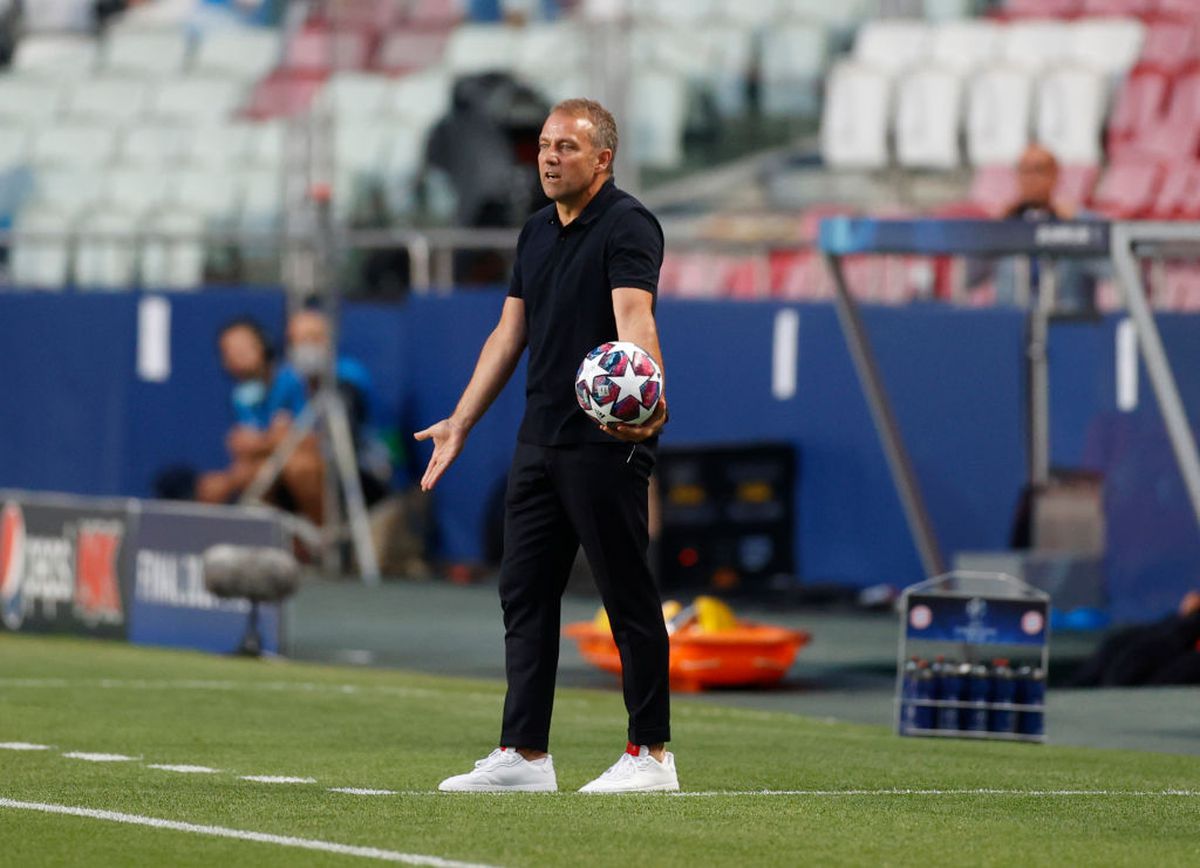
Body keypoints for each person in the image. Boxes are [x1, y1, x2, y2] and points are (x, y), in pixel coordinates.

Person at [416, 98, 676, 794]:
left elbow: (634, 319)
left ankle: (651, 755)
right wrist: (461, 421)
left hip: (605, 441)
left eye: (566, 146)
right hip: (539, 441)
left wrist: (645, 400)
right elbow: (509, 336)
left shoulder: (628, 224)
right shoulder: (534, 231)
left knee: (626, 595)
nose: (550, 157)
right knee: (523, 593)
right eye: (543, 146)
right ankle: (525, 755)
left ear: (602, 160)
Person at [279, 308, 393, 525]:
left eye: (313, 338)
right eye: (298, 340)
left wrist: (290, 440)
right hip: (307, 464)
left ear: (328, 341)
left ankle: (324, 548)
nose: (305, 347)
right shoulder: (288, 379)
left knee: (299, 467)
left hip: (360, 470)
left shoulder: (350, 376)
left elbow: (344, 439)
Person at [975, 144, 1106, 313]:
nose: (1031, 178)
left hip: (1068, 323)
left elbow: (1110, 271)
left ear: (1055, 175)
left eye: (1039, 170)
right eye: (1024, 170)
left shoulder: (1077, 220)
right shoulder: (1005, 224)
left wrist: (1076, 223)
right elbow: (972, 277)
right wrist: (992, 229)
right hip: (1011, 322)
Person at [196, 318, 307, 511]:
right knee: (212, 486)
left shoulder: (292, 380)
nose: (235, 356)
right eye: (228, 351)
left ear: (264, 346)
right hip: (266, 465)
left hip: (298, 464)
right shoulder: (242, 396)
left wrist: (261, 443)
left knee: (295, 468)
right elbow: (246, 447)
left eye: (242, 348)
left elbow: (296, 440)